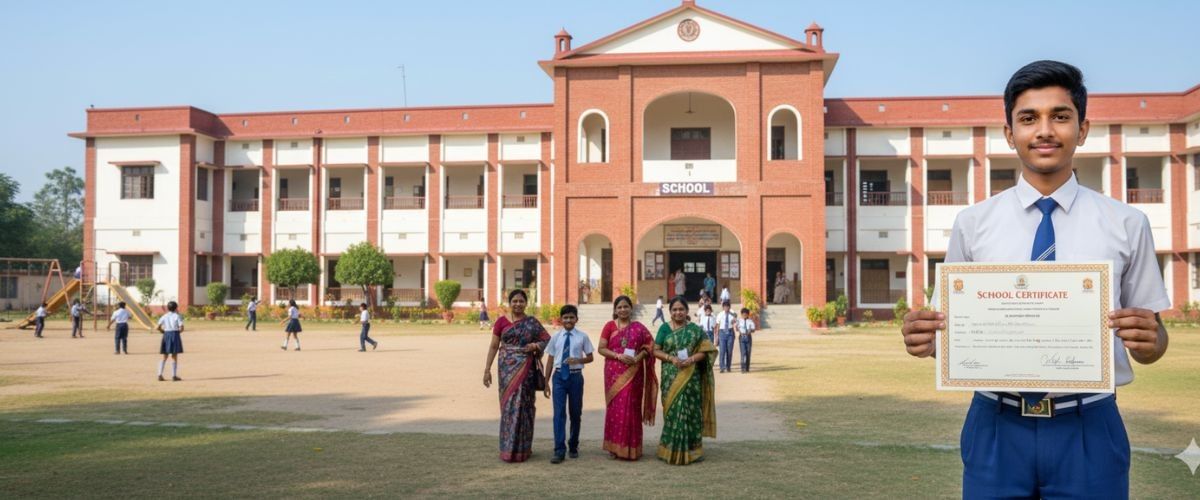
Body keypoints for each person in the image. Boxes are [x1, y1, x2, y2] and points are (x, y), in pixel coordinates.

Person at [900, 61, 1171, 499]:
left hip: (1088, 427)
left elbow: (1153, 343)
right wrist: (925, 338)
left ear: (1082, 129)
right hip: (995, 424)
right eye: (1028, 118)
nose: (1044, 130)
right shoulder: (973, 224)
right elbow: (950, 338)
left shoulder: (1127, 223)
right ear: (1010, 133)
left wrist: (1150, 340)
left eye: (1060, 116)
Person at [483, 289, 551, 463]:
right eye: (515, 301)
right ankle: (507, 449)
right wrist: (487, 369)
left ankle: (522, 449)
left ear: (526, 303)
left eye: (521, 301)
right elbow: (493, 346)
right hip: (506, 370)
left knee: (524, 407)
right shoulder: (501, 322)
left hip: (526, 370)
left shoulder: (532, 323)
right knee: (508, 408)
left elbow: (547, 339)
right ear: (509, 303)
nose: (518, 304)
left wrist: (536, 345)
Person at [652, 296, 716, 465]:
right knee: (673, 410)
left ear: (687, 311)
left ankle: (692, 450)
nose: (678, 312)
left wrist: (692, 359)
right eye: (674, 309)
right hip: (670, 376)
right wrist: (670, 358)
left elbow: (707, 350)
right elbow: (655, 350)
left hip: (690, 376)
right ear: (670, 312)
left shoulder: (695, 329)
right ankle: (669, 449)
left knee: (691, 410)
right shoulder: (664, 329)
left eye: (681, 309)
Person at [598, 295, 658, 460]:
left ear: (631, 309)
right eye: (620, 307)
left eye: (626, 307)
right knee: (615, 409)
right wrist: (618, 356)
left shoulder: (639, 327)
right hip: (613, 375)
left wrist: (638, 358)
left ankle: (632, 448)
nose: (623, 310)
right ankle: (614, 447)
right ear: (615, 310)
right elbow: (601, 348)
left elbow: (650, 346)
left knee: (631, 408)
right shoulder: (609, 326)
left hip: (634, 374)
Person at [542, 304, 594, 463]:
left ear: (576, 319)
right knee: (559, 414)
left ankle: (573, 445)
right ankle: (559, 449)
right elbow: (550, 360)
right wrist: (546, 382)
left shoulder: (582, 337)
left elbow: (590, 357)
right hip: (558, 377)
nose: (569, 320)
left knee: (575, 413)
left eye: (572, 317)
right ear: (561, 319)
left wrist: (578, 360)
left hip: (575, 377)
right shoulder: (556, 337)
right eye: (565, 317)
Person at [156, 301, 184, 381]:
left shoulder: (164, 316)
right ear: (176, 308)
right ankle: (174, 376)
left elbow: (157, 327)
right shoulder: (177, 316)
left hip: (166, 334)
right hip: (175, 334)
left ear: (167, 308)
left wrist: (162, 331)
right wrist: (177, 333)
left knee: (165, 356)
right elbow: (181, 328)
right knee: (174, 356)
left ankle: (160, 374)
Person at [714, 301, 737, 373]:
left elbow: (735, 322)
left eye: (728, 306)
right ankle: (722, 367)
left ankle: (728, 366)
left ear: (729, 307)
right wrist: (717, 336)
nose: (726, 308)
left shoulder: (732, 314)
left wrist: (734, 318)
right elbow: (717, 325)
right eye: (725, 306)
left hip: (730, 332)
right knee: (722, 350)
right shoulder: (720, 315)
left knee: (729, 351)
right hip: (722, 332)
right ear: (723, 307)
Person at [736, 307, 756, 373]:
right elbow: (737, 328)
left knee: (748, 353)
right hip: (742, 337)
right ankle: (742, 368)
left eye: (746, 314)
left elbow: (753, 329)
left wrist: (751, 330)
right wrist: (738, 329)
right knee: (743, 353)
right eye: (743, 314)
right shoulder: (739, 321)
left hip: (748, 337)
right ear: (741, 314)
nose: (744, 315)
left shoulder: (750, 321)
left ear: (748, 315)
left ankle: (747, 368)